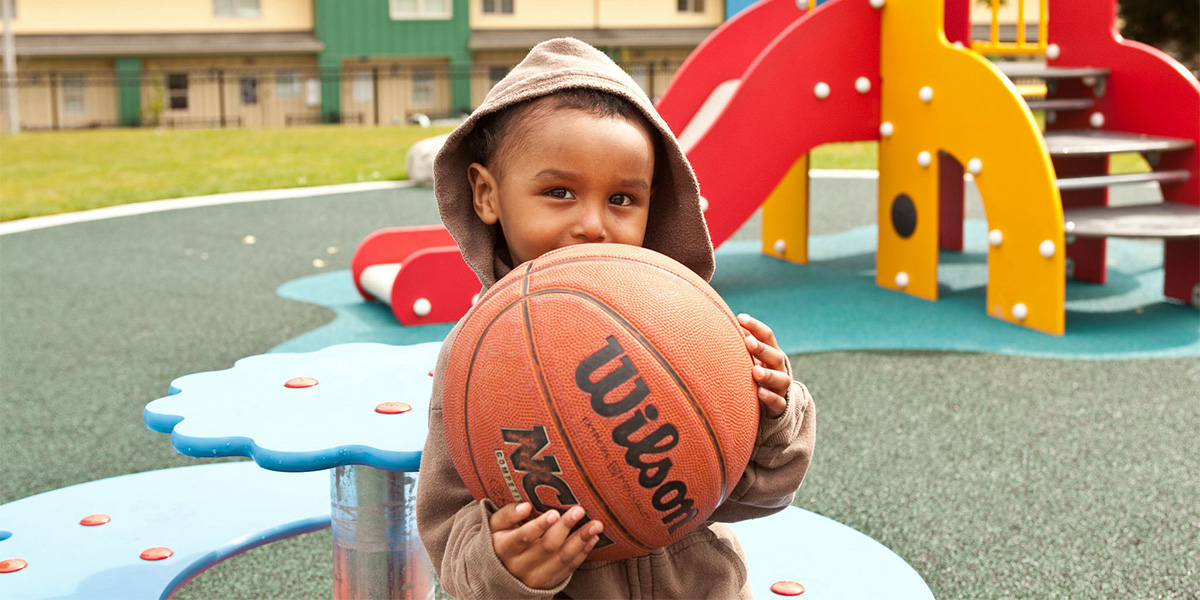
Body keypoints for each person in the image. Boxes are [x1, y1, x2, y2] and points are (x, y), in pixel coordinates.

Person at [417, 37, 816, 599]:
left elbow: (766, 491)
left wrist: (771, 414)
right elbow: (449, 538)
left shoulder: (682, 329)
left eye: (623, 199)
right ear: (486, 194)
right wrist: (502, 567)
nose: (593, 225)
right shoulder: (476, 364)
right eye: (559, 192)